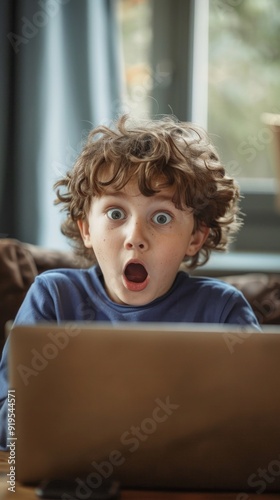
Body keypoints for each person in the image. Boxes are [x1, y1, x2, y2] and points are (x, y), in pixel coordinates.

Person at [0, 114, 260, 449]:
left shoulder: (223, 310)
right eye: (115, 213)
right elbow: (9, 422)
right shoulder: (53, 297)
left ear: (195, 237)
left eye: (162, 217)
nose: (135, 237)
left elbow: (256, 421)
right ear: (87, 229)